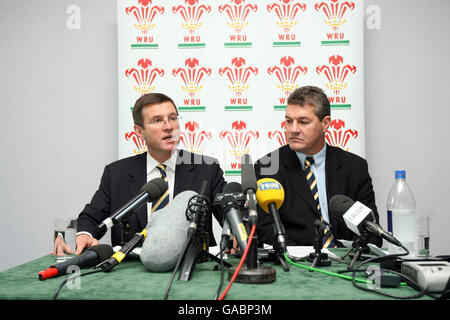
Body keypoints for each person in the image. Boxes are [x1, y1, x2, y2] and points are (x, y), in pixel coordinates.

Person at [53, 93, 226, 256]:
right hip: (133, 271)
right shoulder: (116, 174)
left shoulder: (206, 169)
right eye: (157, 120)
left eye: (173, 118)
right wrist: (83, 234)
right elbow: (90, 218)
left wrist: (238, 233)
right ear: (138, 130)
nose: (169, 126)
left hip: (192, 269)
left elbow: (230, 215)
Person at [254, 86, 382, 248]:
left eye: (303, 122)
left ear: (325, 123)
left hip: (347, 263)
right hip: (296, 264)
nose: (293, 130)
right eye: (289, 121)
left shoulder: (355, 167)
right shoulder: (268, 166)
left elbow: (372, 233)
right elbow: (265, 233)